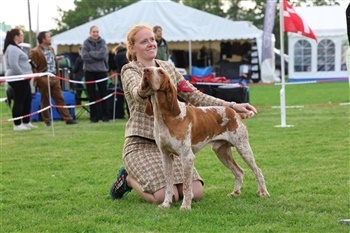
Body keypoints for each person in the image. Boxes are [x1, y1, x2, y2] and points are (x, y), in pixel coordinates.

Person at [110, 24, 258, 204]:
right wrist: (147, 82)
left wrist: (232, 105)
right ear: (132, 48)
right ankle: (129, 179)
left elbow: (194, 95)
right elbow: (137, 94)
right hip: (142, 143)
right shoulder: (130, 70)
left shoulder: (168, 69)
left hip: (173, 144)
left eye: (152, 39)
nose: (151, 44)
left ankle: (147, 180)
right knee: (168, 196)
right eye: (143, 41)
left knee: (196, 193)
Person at [29, 31, 78, 126]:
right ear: (43, 39)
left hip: (54, 77)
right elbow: (33, 66)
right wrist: (39, 78)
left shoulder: (51, 49)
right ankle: (47, 120)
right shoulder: (35, 51)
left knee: (60, 98)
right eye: (48, 37)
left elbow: (55, 63)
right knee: (45, 100)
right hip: (43, 78)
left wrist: (57, 75)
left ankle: (68, 119)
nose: (50, 38)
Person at [3, 28, 37, 131]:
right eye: (21, 35)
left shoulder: (17, 47)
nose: (23, 36)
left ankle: (26, 122)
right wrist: (23, 75)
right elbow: (13, 64)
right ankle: (17, 124)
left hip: (23, 78)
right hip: (17, 79)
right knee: (19, 101)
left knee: (27, 100)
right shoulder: (12, 48)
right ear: (16, 36)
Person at [81, 25, 110, 123]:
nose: (95, 33)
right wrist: (96, 55)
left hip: (101, 71)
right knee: (91, 96)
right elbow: (84, 56)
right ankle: (93, 117)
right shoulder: (85, 42)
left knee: (103, 94)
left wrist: (91, 54)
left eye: (97, 32)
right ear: (90, 33)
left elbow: (103, 54)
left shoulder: (103, 42)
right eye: (94, 32)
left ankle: (105, 116)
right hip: (89, 72)